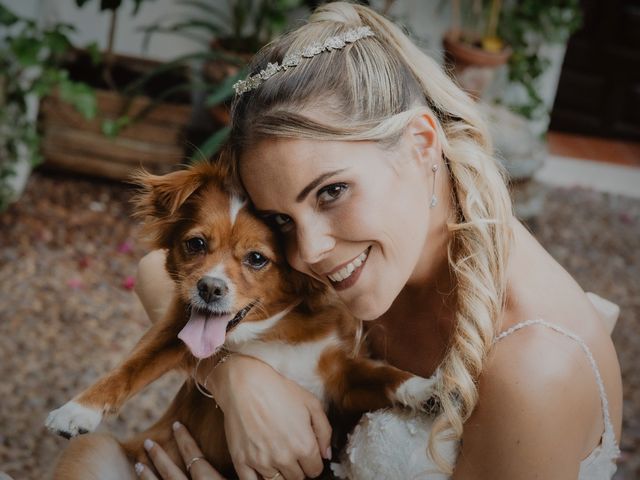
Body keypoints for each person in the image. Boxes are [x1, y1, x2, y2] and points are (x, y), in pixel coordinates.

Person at [55, 2, 623, 479]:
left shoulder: (533, 371)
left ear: (422, 144)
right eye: (281, 219)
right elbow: (162, 270)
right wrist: (234, 375)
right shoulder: (393, 253)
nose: (311, 252)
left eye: (331, 192)